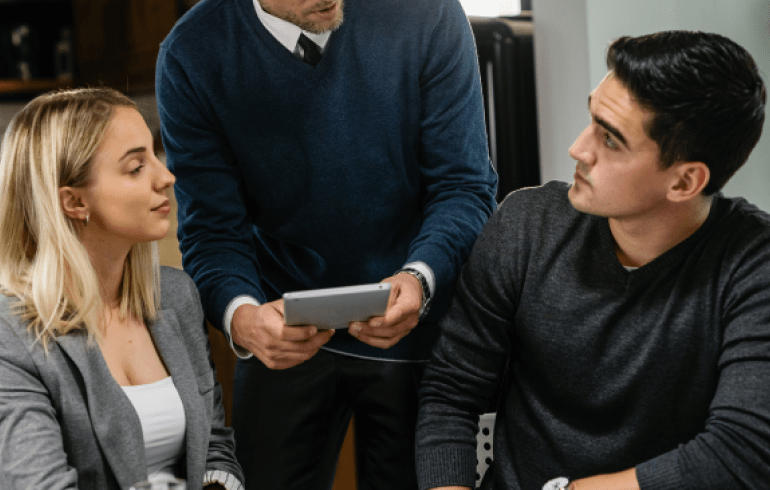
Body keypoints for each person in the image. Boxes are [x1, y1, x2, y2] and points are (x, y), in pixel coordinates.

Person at [155, 0, 498, 488]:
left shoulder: (428, 13)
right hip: (283, 323)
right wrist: (243, 318)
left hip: (420, 318)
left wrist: (421, 277)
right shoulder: (192, 53)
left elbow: (463, 186)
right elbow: (212, 230)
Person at [416, 30, 770, 490]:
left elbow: (741, 452)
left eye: (611, 140)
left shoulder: (754, 263)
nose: (579, 149)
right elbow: (450, 395)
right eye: (592, 119)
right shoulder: (525, 226)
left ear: (684, 182)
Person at [0, 88, 244, 490]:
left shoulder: (176, 295)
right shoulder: (11, 335)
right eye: (136, 167)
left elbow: (214, 449)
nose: (166, 177)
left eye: (155, 155)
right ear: (74, 202)